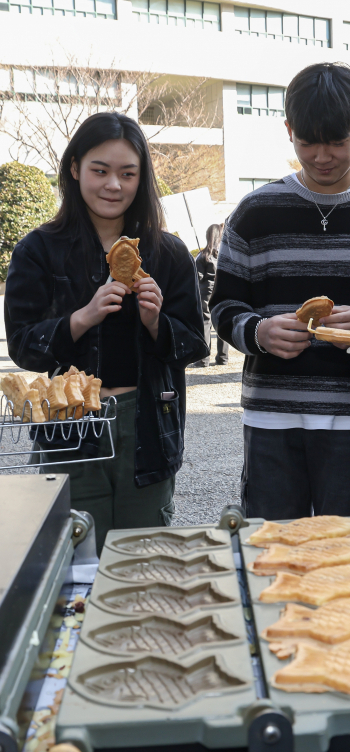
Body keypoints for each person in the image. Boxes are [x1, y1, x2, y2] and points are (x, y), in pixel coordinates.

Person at [211, 62, 350, 544]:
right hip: (271, 414)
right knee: (271, 551)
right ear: (289, 131)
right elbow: (224, 306)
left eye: (337, 141)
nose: (323, 155)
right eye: (308, 141)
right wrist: (257, 332)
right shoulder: (254, 213)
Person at [4, 112, 208, 553]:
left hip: (148, 422)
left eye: (127, 174)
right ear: (75, 168)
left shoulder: (167, 252)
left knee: (143, 559)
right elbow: (22, 345)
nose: (113, 185)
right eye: (100, 170)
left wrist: (156, 323)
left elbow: (195, 343)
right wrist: (82, 317)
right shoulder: (39, 250)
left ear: (142, 179)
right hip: (69, 425)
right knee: (75, 558)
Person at [192, 223, 229, 367]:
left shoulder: (203, 256)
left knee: (205, 323)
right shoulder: (223, 255)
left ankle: (203, 359)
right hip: (221, 290)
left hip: (205, 293)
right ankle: (223, 358)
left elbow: (197, 278)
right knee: (221, 321)